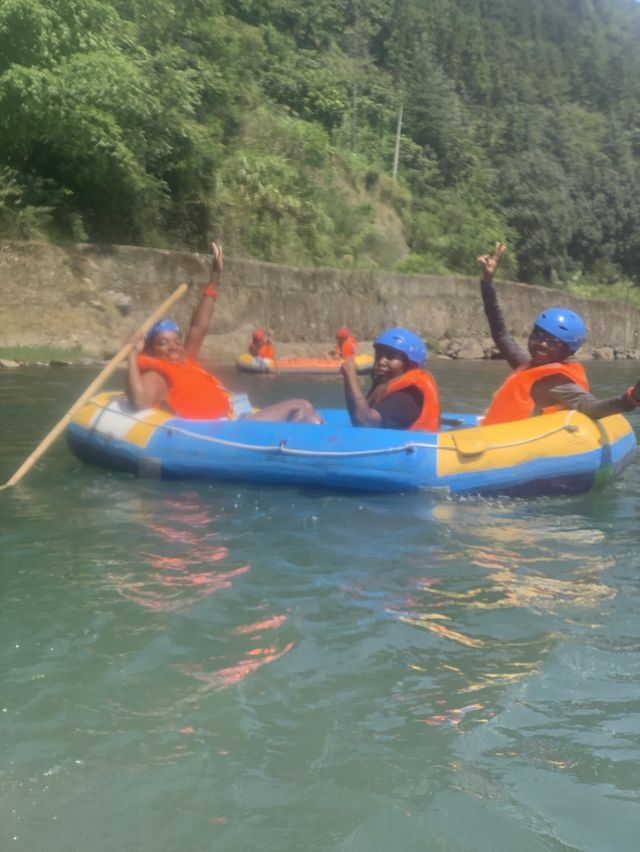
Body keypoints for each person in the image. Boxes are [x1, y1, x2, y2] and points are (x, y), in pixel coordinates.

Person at [127, 242, 323, 424]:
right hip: (226, 431)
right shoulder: (156, 376)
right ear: (151, 349)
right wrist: (131, 355)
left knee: (302, 411)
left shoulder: (186, 361)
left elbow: (198, 327)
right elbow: (139, 402)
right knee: (301, 405)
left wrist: (215, 277)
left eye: (177, 341)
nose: (174, 348)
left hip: (232, 419)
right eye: (163, 343)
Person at [478, 241, 640, 424]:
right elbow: (500, 334)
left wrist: (630, 399)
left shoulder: (561, 383)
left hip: (515, 444)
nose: (542, 344)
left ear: (568, 351)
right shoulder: (526, 364)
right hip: (492, 434)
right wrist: (487, 282)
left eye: (553, 342)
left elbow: (592, 408)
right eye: (538, 336)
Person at [340, 327, 440, 430]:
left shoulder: (409, 396)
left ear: (410, 364)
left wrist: (350, 375)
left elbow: (365, 423)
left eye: (391, 357)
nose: (381, 361)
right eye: (378, 355)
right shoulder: (386, 383)